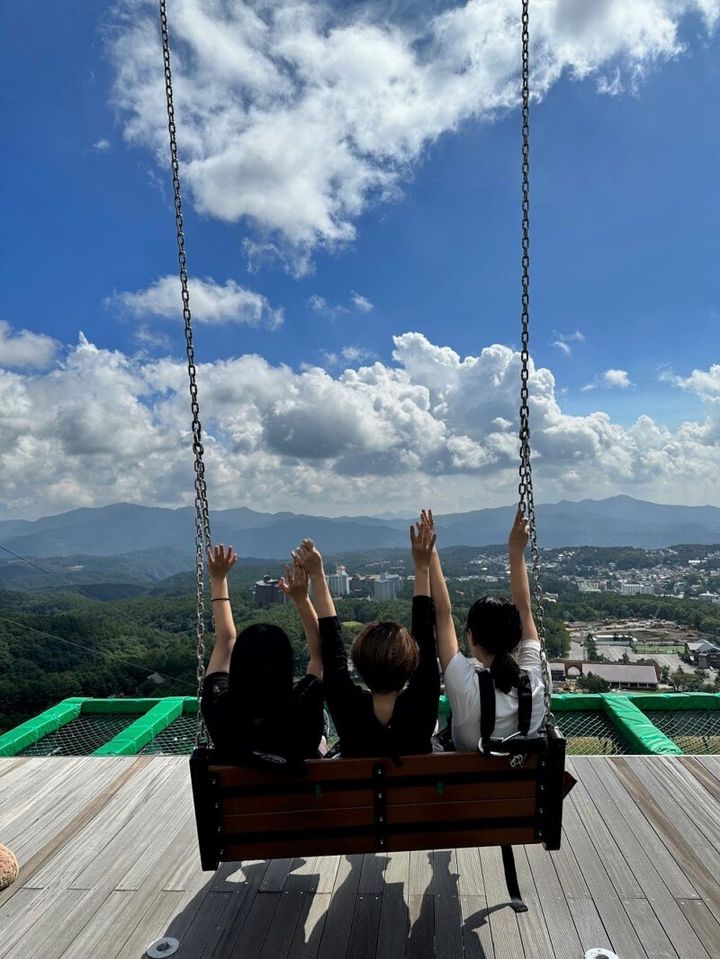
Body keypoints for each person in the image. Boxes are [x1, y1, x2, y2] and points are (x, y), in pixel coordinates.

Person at [294, 521, 440, 758]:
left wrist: (318, 575)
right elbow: (425, 633)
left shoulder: (348, 711)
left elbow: (333, 647)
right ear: (411, 663)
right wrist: (422, 566)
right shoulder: (421, 709)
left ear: (360, 664)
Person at [427, 508, 549, 751]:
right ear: (516, 637)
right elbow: (524, 609)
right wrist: (516, 553)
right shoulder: (536, 682)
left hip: (468, 788)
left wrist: (429, 555)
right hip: (525, 789)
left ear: (471, 638)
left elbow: (442, 615)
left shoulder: (465, 687)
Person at [200, 544, 325, 761]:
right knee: (322, 735)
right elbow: (320, 655)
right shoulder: (303, 706)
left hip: (236, 793)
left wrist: (218, 579)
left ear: (238, 666)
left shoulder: (218, 707)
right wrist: (302, 598)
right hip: (298, 792)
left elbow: (226, 638)